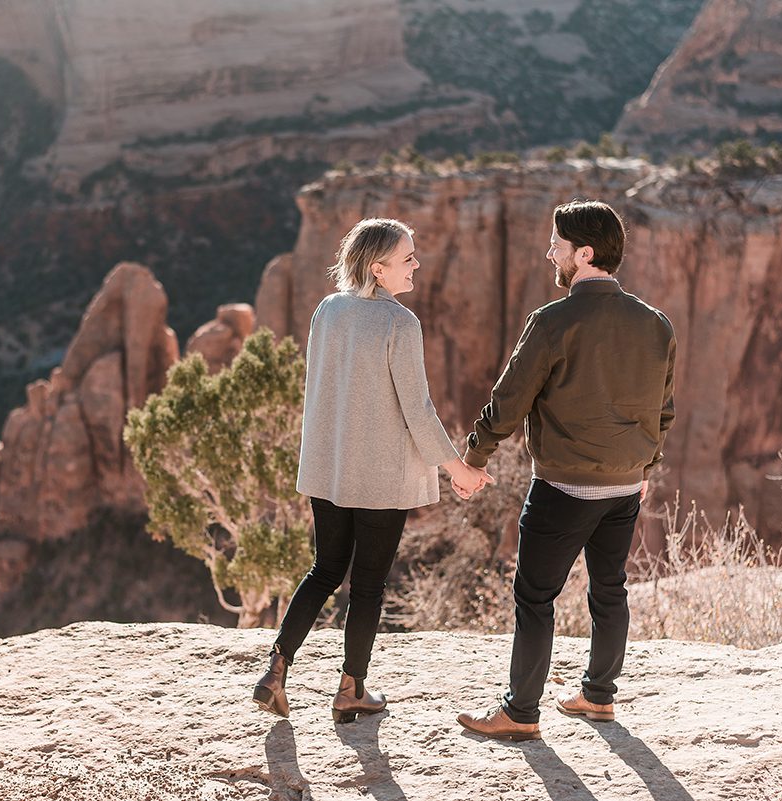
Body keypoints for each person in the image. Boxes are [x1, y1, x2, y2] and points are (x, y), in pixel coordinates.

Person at [253, 217, 493, 724]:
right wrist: (458, 469)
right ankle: (351, 689)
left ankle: (277, 668)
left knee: (324, 570)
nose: (416, 265)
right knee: (367, 584)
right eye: (407, 258)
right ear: (377, 268)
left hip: (331, 468)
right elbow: (418, 409)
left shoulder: (328, 310)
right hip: (382, 477)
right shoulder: (399, 323)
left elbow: (321, 387)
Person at [455, 199, 676, 741]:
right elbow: (663, 409)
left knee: (534, 596)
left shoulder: (552, 322)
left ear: (584, 253)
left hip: (563, 487)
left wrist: (472, 460)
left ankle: (520, 712)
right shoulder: (655, 324)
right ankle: (598, 697)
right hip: (625, 485)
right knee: (609, 590)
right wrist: (646, 464)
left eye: (556, 245)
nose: (549, 252)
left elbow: (508, 402)